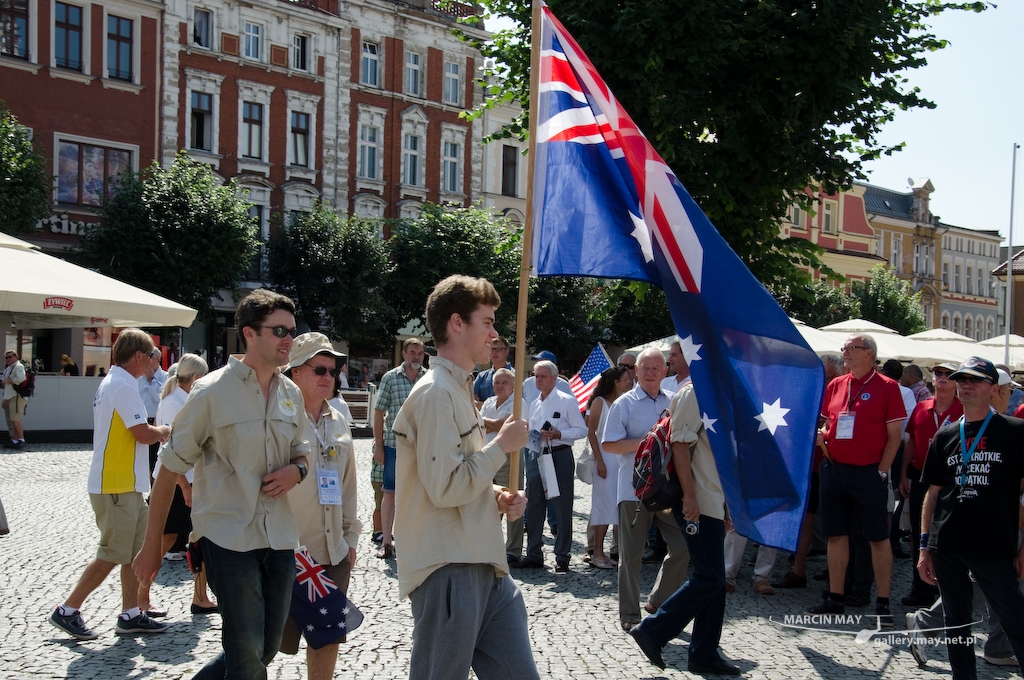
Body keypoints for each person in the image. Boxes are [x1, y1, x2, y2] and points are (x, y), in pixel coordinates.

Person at [133, 289, 311, 679]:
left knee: (264, 648)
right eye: (279, 330)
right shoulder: (211, 391)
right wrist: (150, 549)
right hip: (226, 538)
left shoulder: (291, 393)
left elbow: (304, 452)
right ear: (249, 332)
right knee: (246, 656)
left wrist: (296, 471)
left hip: (278, 536)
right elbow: (167, 468)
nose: (288, 340)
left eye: (292, 332)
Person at [391, 274, 537, 680]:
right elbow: (445, 488)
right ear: (457, 323)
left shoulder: (457, 390)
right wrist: (501, 446)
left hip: (483, 562)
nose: (494, 333)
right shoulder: (436, 393)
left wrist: (496, 497)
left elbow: (460, 476)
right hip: (449, 566)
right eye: (487, 322)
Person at [48, 329, 171, 640]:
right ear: (139, 356)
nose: (152, 365)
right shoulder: (123, 386)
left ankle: (130, 614)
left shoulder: (114, 382)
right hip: (116, 484)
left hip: (121, 483)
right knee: (113, 552)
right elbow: (142, 434)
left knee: (133, 553)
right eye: (152, 358)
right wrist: (166, 429)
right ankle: (68, 610)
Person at [916, 356, 1024, 680]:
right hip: (947, 544)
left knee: (1015, 619)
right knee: (956, 624)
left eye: (976, 380)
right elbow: (932, 494)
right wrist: (924, 548)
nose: (966, 384)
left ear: (994, 388)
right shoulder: (946, 435)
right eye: (962, 379)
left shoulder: (1015, 432)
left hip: (994, 545)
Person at [628, 382, 740, 676]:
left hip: (713, 500)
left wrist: (727, 506)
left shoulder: (719, 392)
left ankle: (704, 653)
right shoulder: (695, 390)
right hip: (697, 499)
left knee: (713, 581)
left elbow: (720, 459)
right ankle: (653, 629)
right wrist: (690, 497)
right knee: (711, 577)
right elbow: (679, 445)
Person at [280, 333, 361, 680]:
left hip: (332, 550)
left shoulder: (338, 420)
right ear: (295, 371)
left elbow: (348, 485)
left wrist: (351, 539)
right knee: (266, 643)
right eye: (319, 369)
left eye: (333, 369)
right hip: (286, 552)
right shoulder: (279, 419)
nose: (329, 376)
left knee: (327, 639)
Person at [812, 334, 904, 626]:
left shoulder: (888, 387)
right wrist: (824, 435)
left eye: (852, 348)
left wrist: (881, 471)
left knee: (877, 537)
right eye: (845, 348)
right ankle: (836, 598)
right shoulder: (837, 384)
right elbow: (828, 422)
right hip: (835, 468)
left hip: (869, 471)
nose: (846, 353)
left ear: (869, 354)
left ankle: (883, 603)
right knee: (836, 535)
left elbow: (894, 438)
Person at [602, 347, 690, 631]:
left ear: (666, 371)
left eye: (656, 367)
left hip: (667, 492)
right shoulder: (623, 404)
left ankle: (657, 600)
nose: (650, 372)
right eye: (645, 368)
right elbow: (609, 444)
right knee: (631, 557)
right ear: (635, 371)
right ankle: (629, 614)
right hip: (633, 492)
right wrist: (648, 443)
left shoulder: (676, 401)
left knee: (683, 548)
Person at [145, 355, 217, 616]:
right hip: (177, 482)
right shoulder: (176, 402)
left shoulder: (179, 398)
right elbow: (170, 450)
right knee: (165, 538)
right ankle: (141, 595)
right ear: (196, 378)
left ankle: (200, 595)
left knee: (198, 534)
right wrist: (185, 487)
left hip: (186, 480)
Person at [774, 353, 844, 590]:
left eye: (830, 377)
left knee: (840, 522)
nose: (825, 382)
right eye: (822, 376)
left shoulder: (840, 392)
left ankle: (841, 576)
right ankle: (798, 570)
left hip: (835, 464)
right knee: (806, 517)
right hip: (808, 465)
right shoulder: (806, 389)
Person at [511, 359, 586, 572]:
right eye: (536, 376)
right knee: (534, 504)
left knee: (561, 506)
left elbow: (581, 430)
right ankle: (533, 553)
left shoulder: (566, 401)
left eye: (543, 376)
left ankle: (562, 555)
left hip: (559, 455)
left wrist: (560, 434)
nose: (538, 380)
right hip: (537, 455)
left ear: (554, 378)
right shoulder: (535, 403)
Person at [900, 361, 963, 608]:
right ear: (932, 378)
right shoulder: (921, 407)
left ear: (957, 380)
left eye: (949, 374)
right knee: (919, 532)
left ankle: (947, 587)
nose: (943, 377)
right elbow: (911, 443)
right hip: (921, 476)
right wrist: (903, 473)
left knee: (948, 532)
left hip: (952, 480)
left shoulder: (963, 409)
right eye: (938, 373)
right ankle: (920, 587)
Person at [373, 337, 427, 559]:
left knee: (421, 495)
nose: (416, 356)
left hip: (423, 448)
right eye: (412, 352)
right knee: (390, 494)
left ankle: (416, 542)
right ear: (404, 354)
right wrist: (379, 445)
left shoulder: (430, 378)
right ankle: (386, 542)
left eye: (420, 353)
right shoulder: (390, 378)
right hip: (395, 446)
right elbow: (378, 412)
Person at [585, 366, 631, 570]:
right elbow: (591, 432)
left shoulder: (621, 402)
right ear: (616, 382)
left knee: (614, 505)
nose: (630, 382)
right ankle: (596, 552)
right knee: (602, 506)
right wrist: (600, 461)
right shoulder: (599, 402)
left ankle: (606, 551)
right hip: (604, 460)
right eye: (626, 379)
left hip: (618, 460)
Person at [481, 367, 527, 563]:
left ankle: (513, 550)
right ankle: (489, 545)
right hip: (487, 453)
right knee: (487, 500)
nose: (500, 386)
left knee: (512, 498)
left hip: (510, 456)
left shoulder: (519, 403)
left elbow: (509, 426)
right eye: (497, 383)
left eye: (504, 382)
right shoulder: (489, 402)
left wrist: (490, 423)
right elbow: (480, 425)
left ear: (514, 386)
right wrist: (496, 424)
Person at [138, 347, 167, 474]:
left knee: (154, 459)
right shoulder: (140, 378)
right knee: (142, 459)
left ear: (156, 359)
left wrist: (151, 380)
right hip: (142, 421)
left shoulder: (165, 377)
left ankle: (153, 489)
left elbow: (159, 397)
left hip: (156, 422)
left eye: (149, 357)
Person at [474, 336, 512, 408]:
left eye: (498, 349)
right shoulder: (482, 376)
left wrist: (482, 405)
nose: (494, 352)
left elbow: (512, 405)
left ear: (506, 351)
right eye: (491, 349)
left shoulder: (514, 375)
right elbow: (472, 402)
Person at [2, 350, 29, 449]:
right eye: (6, 357)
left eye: (10, 357)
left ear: (16, 357)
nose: (8, 359)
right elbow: (6, 385)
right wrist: (5, 399)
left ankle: (21, 440)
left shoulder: (18, 366)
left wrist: (11, 381)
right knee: (12, 420)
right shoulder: (9, 368)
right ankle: (14, 440)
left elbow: (21, 378)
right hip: (10, 396)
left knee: (15, 419)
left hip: (16, 396)